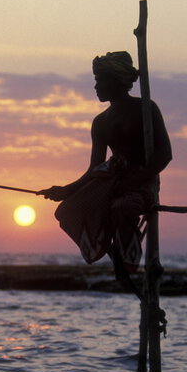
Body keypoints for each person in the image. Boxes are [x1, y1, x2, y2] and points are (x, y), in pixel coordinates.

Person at [38, 51, 172, 277]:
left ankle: (127, 261)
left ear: (118, 80)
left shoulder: (146, 108)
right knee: (67, 211)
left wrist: (134, 182)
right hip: (109, 182)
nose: (96, 86)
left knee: (123, 207)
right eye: (96, 80)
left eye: (101, 80)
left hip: (143, 185)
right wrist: (66, 190)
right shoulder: (100, 122)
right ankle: (108, 247)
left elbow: (165, 154)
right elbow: (94, 168)